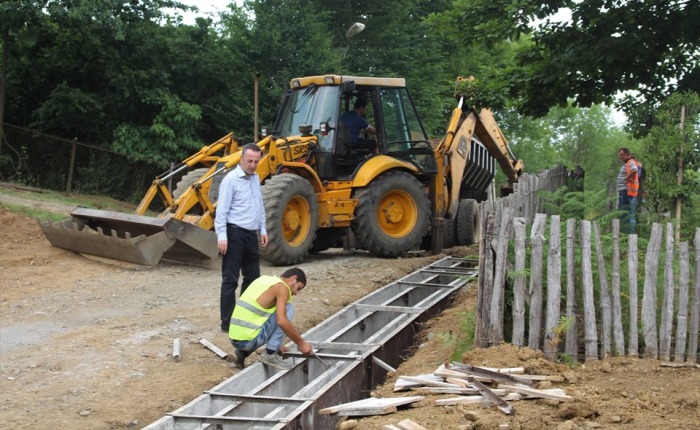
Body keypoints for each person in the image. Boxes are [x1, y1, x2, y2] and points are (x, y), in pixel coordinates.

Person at [215, 143, 269, 333]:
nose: (253, 165)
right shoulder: (231, 180)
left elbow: (259, 206)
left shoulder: (256, 178)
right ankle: (227, 322)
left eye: (256, 161)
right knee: (230, 279)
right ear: (241, 159)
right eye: (249, 161)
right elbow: (221, 211)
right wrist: (222, 236)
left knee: (253, 278)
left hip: (251, 234)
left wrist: (263, 229)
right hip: (234, 233)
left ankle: (243, 315)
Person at [229, 267, 313, 370]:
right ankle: (270, 354)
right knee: (288, 308)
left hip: (235, 338)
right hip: (248, 341)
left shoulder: (264, 280)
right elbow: (282, 321)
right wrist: (302, 343)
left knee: (276, 310)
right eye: (298, 288)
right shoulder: (282, 288)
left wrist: (278, 345)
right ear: (293, 279)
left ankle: (240, 354)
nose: (296, 293)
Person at [616, 147, 639, 234]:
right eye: (619, 155)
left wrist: (627, 178)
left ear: (627, 154)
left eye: (621, 155)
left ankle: (629, 235)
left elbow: (634, 170)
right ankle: (625, 234)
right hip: (624, 191)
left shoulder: (631, 162)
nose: (620, 157)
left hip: (627, 191)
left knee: (627, 213)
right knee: (623, 213)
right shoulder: (627, 163)